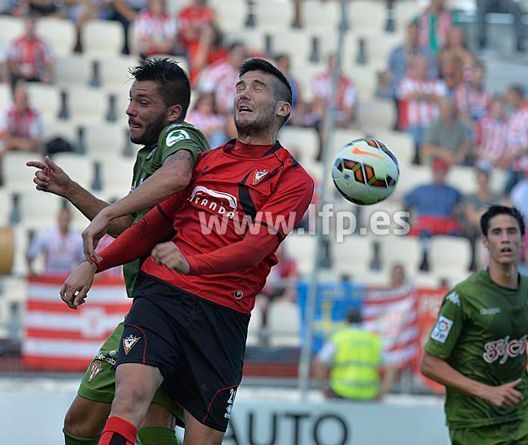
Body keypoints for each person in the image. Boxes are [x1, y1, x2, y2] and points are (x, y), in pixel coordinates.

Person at [60, 58, 314, 445]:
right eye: (240, 86)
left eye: (257, 87)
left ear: (284, 109)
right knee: (128, 401)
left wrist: (192, 262)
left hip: (222, 316)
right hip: (162, 298)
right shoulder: (207, 162)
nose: (244, 92)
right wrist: (93, 263)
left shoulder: (293, 180)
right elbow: (151, 227)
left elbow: (256, 246)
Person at [27, 58, 210, 445]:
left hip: (171, 304)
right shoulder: (148, 157)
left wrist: (108, 213)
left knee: (89, 421)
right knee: (138, 422)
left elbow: (179, 173)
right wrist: (70, 189)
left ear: (173, 112)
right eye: (130, 100)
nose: (129, 109)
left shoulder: (180, 136)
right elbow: (130, 229)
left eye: (143, 101)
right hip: (156, 301)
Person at [420, 205, 528, 445]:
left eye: (511, 231)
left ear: (522, 239)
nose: (505, 239)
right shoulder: (463, 297)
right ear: (486, 242)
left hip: (522, 416)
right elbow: (429, 363)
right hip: (473, 423)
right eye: (497, 233)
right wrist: (486, 391)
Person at [314, 308, 395, 401]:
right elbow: (391, 366)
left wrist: (323, 390)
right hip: (368, 395)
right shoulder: (373, 339)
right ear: (362, 321)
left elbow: (319, 363)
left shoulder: (339, 338)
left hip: (341, 393)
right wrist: (382, 393)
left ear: (346, 322)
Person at [404, 159, 463, 270]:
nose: (439, 175)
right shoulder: (421, 189)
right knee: (424, 234)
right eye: (437, 171)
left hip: (446, 223)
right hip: (426, 222)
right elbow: (405, 201)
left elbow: (462, 205)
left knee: (458, 236)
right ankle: (424, 260)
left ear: (446, 173)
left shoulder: (453, 191)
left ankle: (450, 264)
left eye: (442, 172)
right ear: (433, 172)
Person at [397, 55, 446, 163]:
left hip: (432, 126)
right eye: (419, 66)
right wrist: (431, 97)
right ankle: (417, 159)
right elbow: (408, 96)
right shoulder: (406, 82)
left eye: (424, 66)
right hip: (413, 125)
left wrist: (420, 95)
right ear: (413, 68)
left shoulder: (437, 83)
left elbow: (442, 99)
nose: (422, 69)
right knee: (417, 135)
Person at [500, 85, 528, 195]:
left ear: (517, 96)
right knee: (507, 196)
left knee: (524, 199)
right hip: (515, 166)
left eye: (509, 97)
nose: (508, 101)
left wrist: (514, 155)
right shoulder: (515, 113)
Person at [26, 206, 85, 276]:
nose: (64, 221)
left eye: (66, 219)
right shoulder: (47, 235)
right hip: (50, 277)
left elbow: (83, 260)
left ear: (70, 219)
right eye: (62, 219)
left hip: (69, 277)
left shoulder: (78, 238)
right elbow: (31, 253)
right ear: (57, 218)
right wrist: (31, 270)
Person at [0, 81, 43, 162]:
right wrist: (19, 143)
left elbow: (36, 138)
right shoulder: (6, 111)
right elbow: (3, 135)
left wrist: (22, 143)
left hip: (26, 143)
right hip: (12, 143)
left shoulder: (34, 113)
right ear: (14, 97)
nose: (22, 101)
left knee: (40, 148)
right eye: (20, 98)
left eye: (25, 98)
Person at [421, 97, 471, 166]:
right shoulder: (434, 125)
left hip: (454, 162)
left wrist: (458, 156)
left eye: (450, 109)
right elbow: (426, 146)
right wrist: (444, 155)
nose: (448, 112)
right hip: (437, 162)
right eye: (445, 109)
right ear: (440, 110)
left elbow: (466, 143)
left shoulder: (460, 126)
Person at [7, 15, 54, 87]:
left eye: (32, 25)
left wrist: (47, 75)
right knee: (16, 82)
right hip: (20, 75)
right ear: (25, 26)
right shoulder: (16, 43)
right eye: (28, 25)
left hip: (37, 75)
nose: (30, 28)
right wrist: (20, 70)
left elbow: (49, 63)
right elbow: (12, 63)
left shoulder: (43, 44)